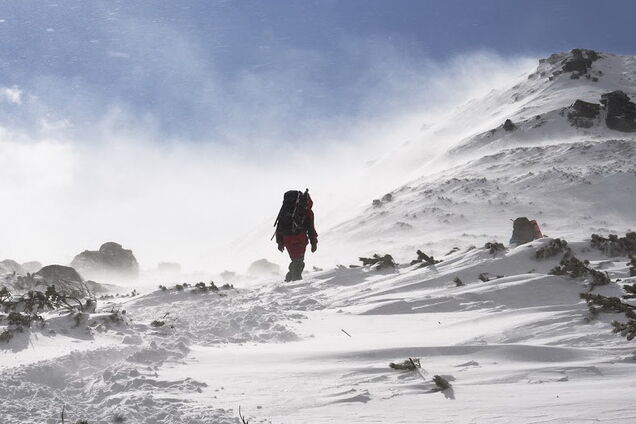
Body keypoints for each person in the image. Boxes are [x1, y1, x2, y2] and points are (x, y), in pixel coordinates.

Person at [274, 189, 318, 281]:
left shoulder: (284, 210)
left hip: (287, 239)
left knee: (296, 260)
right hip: (300, 238)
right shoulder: (306, 211)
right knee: (299, 262)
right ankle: (295, 282)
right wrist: (313, 242)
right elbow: (311, 228)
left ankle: (289, 281)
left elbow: (279, 226)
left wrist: (280, 242)